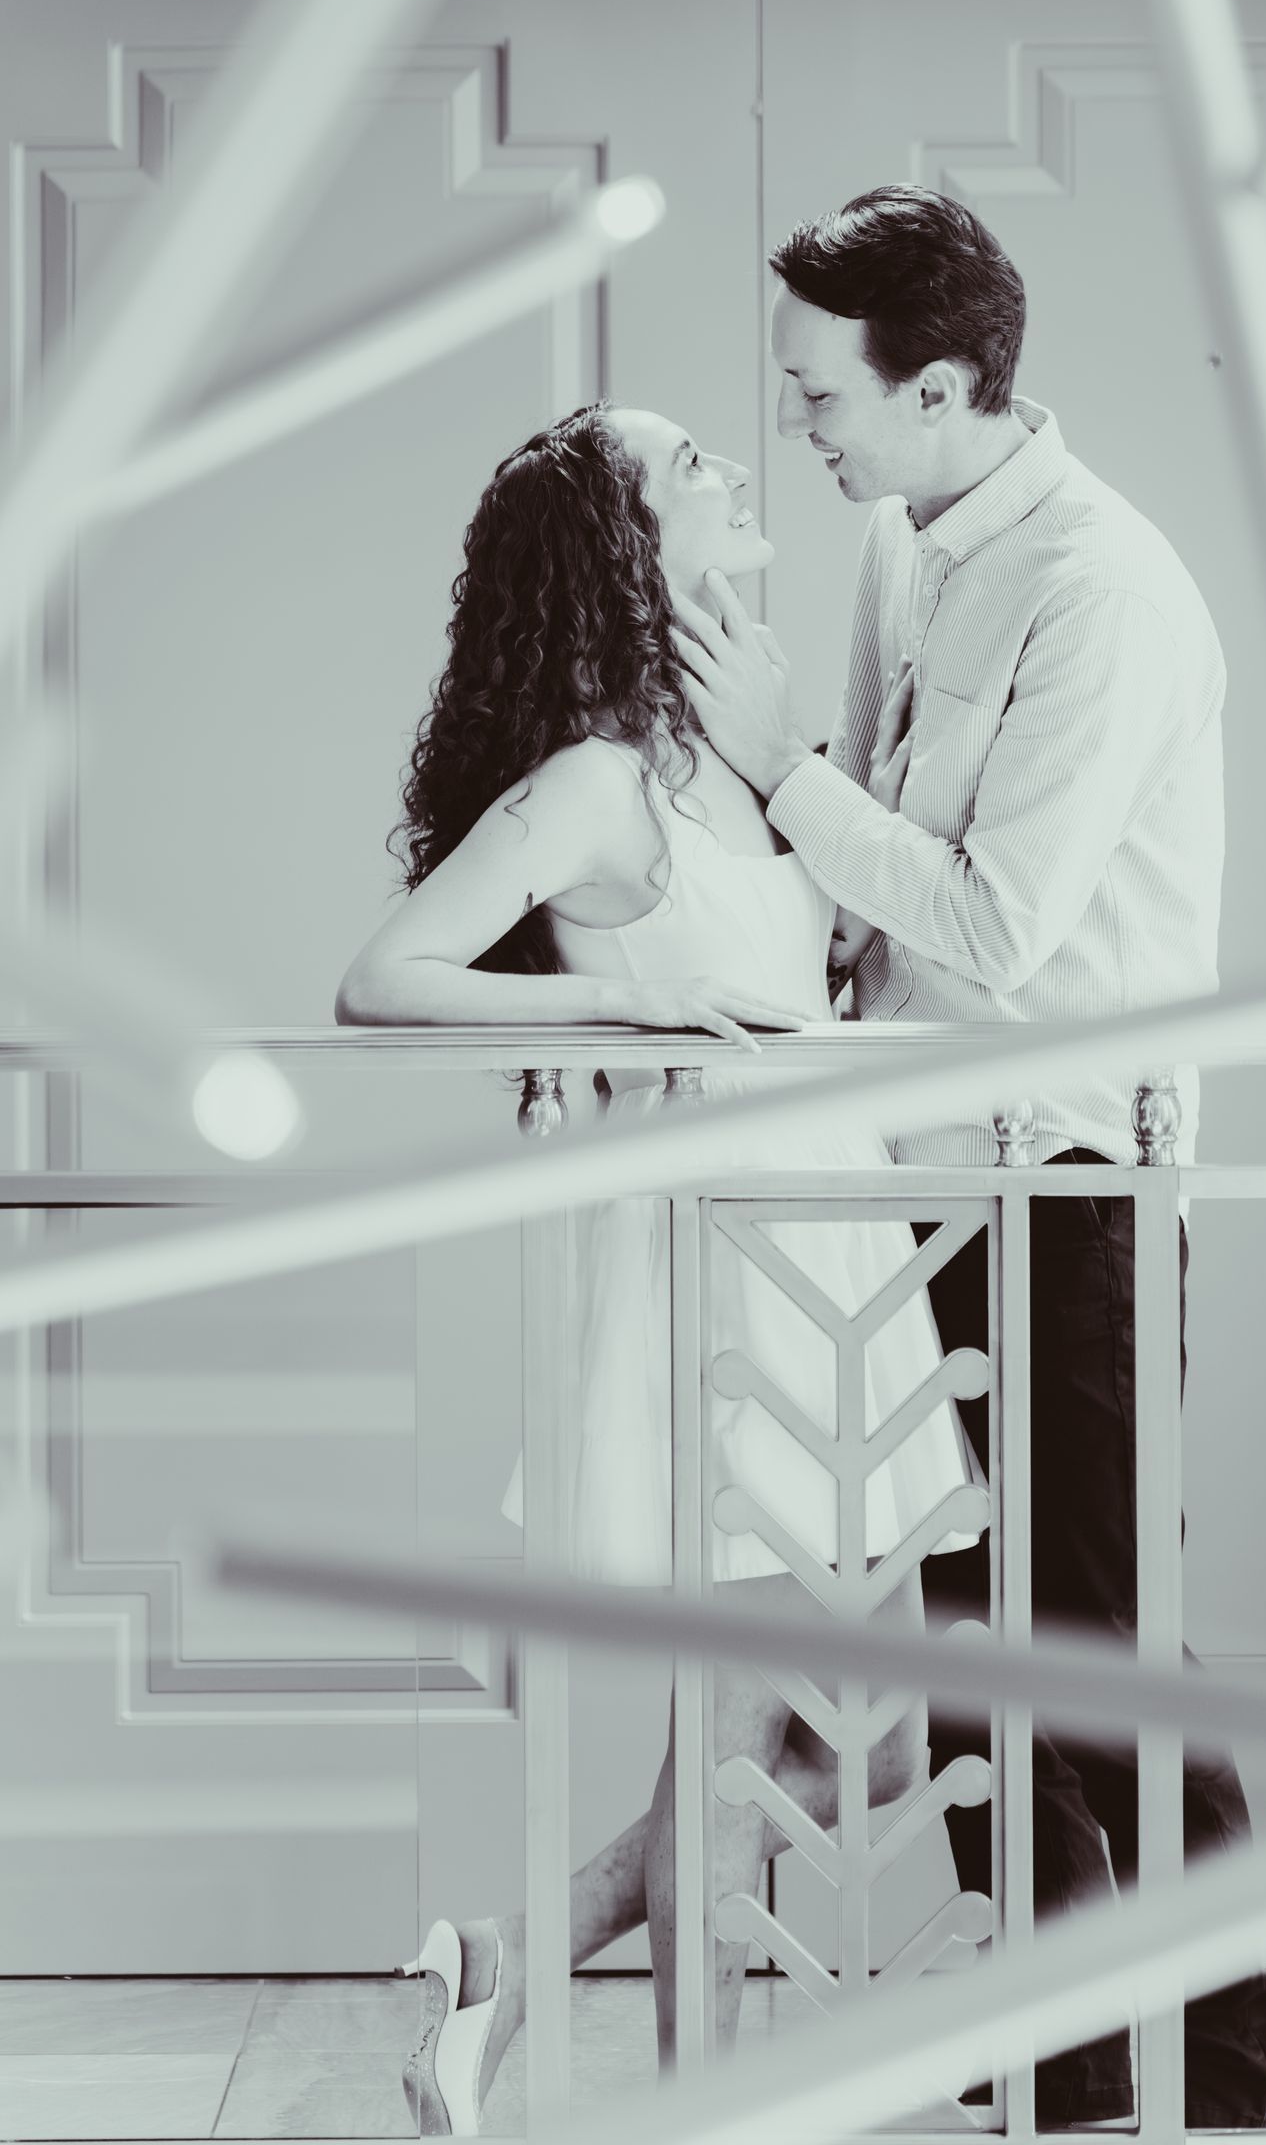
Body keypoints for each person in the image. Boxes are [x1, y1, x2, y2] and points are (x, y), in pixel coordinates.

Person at [673, 184, 1266, 2131]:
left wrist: (779, 769)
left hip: (1077, 1186)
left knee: (1094, 1644)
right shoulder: (897, 540)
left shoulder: (1107, 588)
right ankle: (1071, 2071)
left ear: (940, 385)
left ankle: (1221, 2063)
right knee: (972, 1660)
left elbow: (994, 923)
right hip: (918, 1174)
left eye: (822, 395)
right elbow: (862, 880)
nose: (803, 430)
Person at [336, 401, 970, 2132]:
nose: (735, 469)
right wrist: (611, 999)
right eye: (688, 465)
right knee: (754, 1755)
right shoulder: (597, 784)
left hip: (838, 1254)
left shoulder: (735, 745)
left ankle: (508, 1955)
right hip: (725, 1288)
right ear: (624, 545)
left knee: (876, 1748)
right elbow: (386, 975)